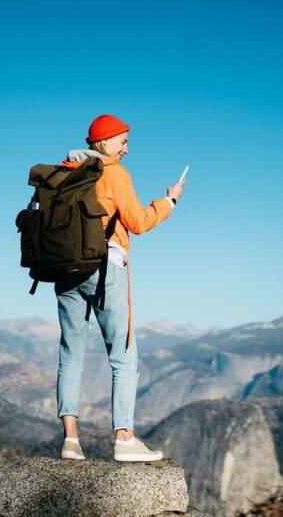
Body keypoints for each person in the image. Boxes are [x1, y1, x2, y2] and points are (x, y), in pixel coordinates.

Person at [54, 113, 185, 462]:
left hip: (64, 272)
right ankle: (124, 440)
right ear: (106, 141)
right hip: (103, 268)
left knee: (70, 356)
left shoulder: (66, 171)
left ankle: (70, 441)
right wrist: (169, 202)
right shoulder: (113, 173)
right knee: (123, 357)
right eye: (123, 141)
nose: (126, 149)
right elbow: (138, 222)